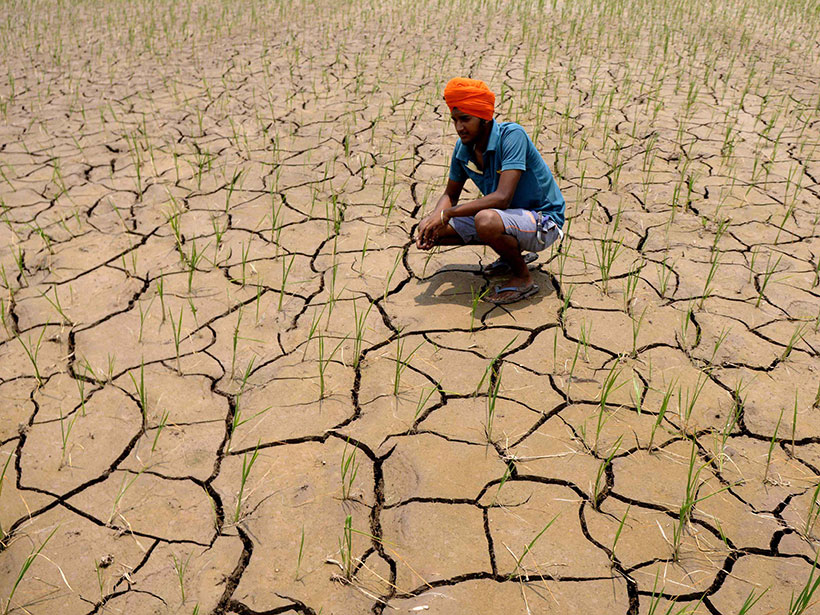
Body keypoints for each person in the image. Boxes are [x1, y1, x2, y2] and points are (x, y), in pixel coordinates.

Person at [415, 77, 565, 304]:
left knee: (485, 220)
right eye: (454, 120)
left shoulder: (512, 136)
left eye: (465, 119)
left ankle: (522, 278)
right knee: (430, 228)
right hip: (509, 219)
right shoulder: (463, 147)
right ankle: (508, 256)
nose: (459, 128)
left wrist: (449, 214)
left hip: (543, 222)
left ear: (484, 117)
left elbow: (502, 198)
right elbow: (450, 194)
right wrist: (436, 218)